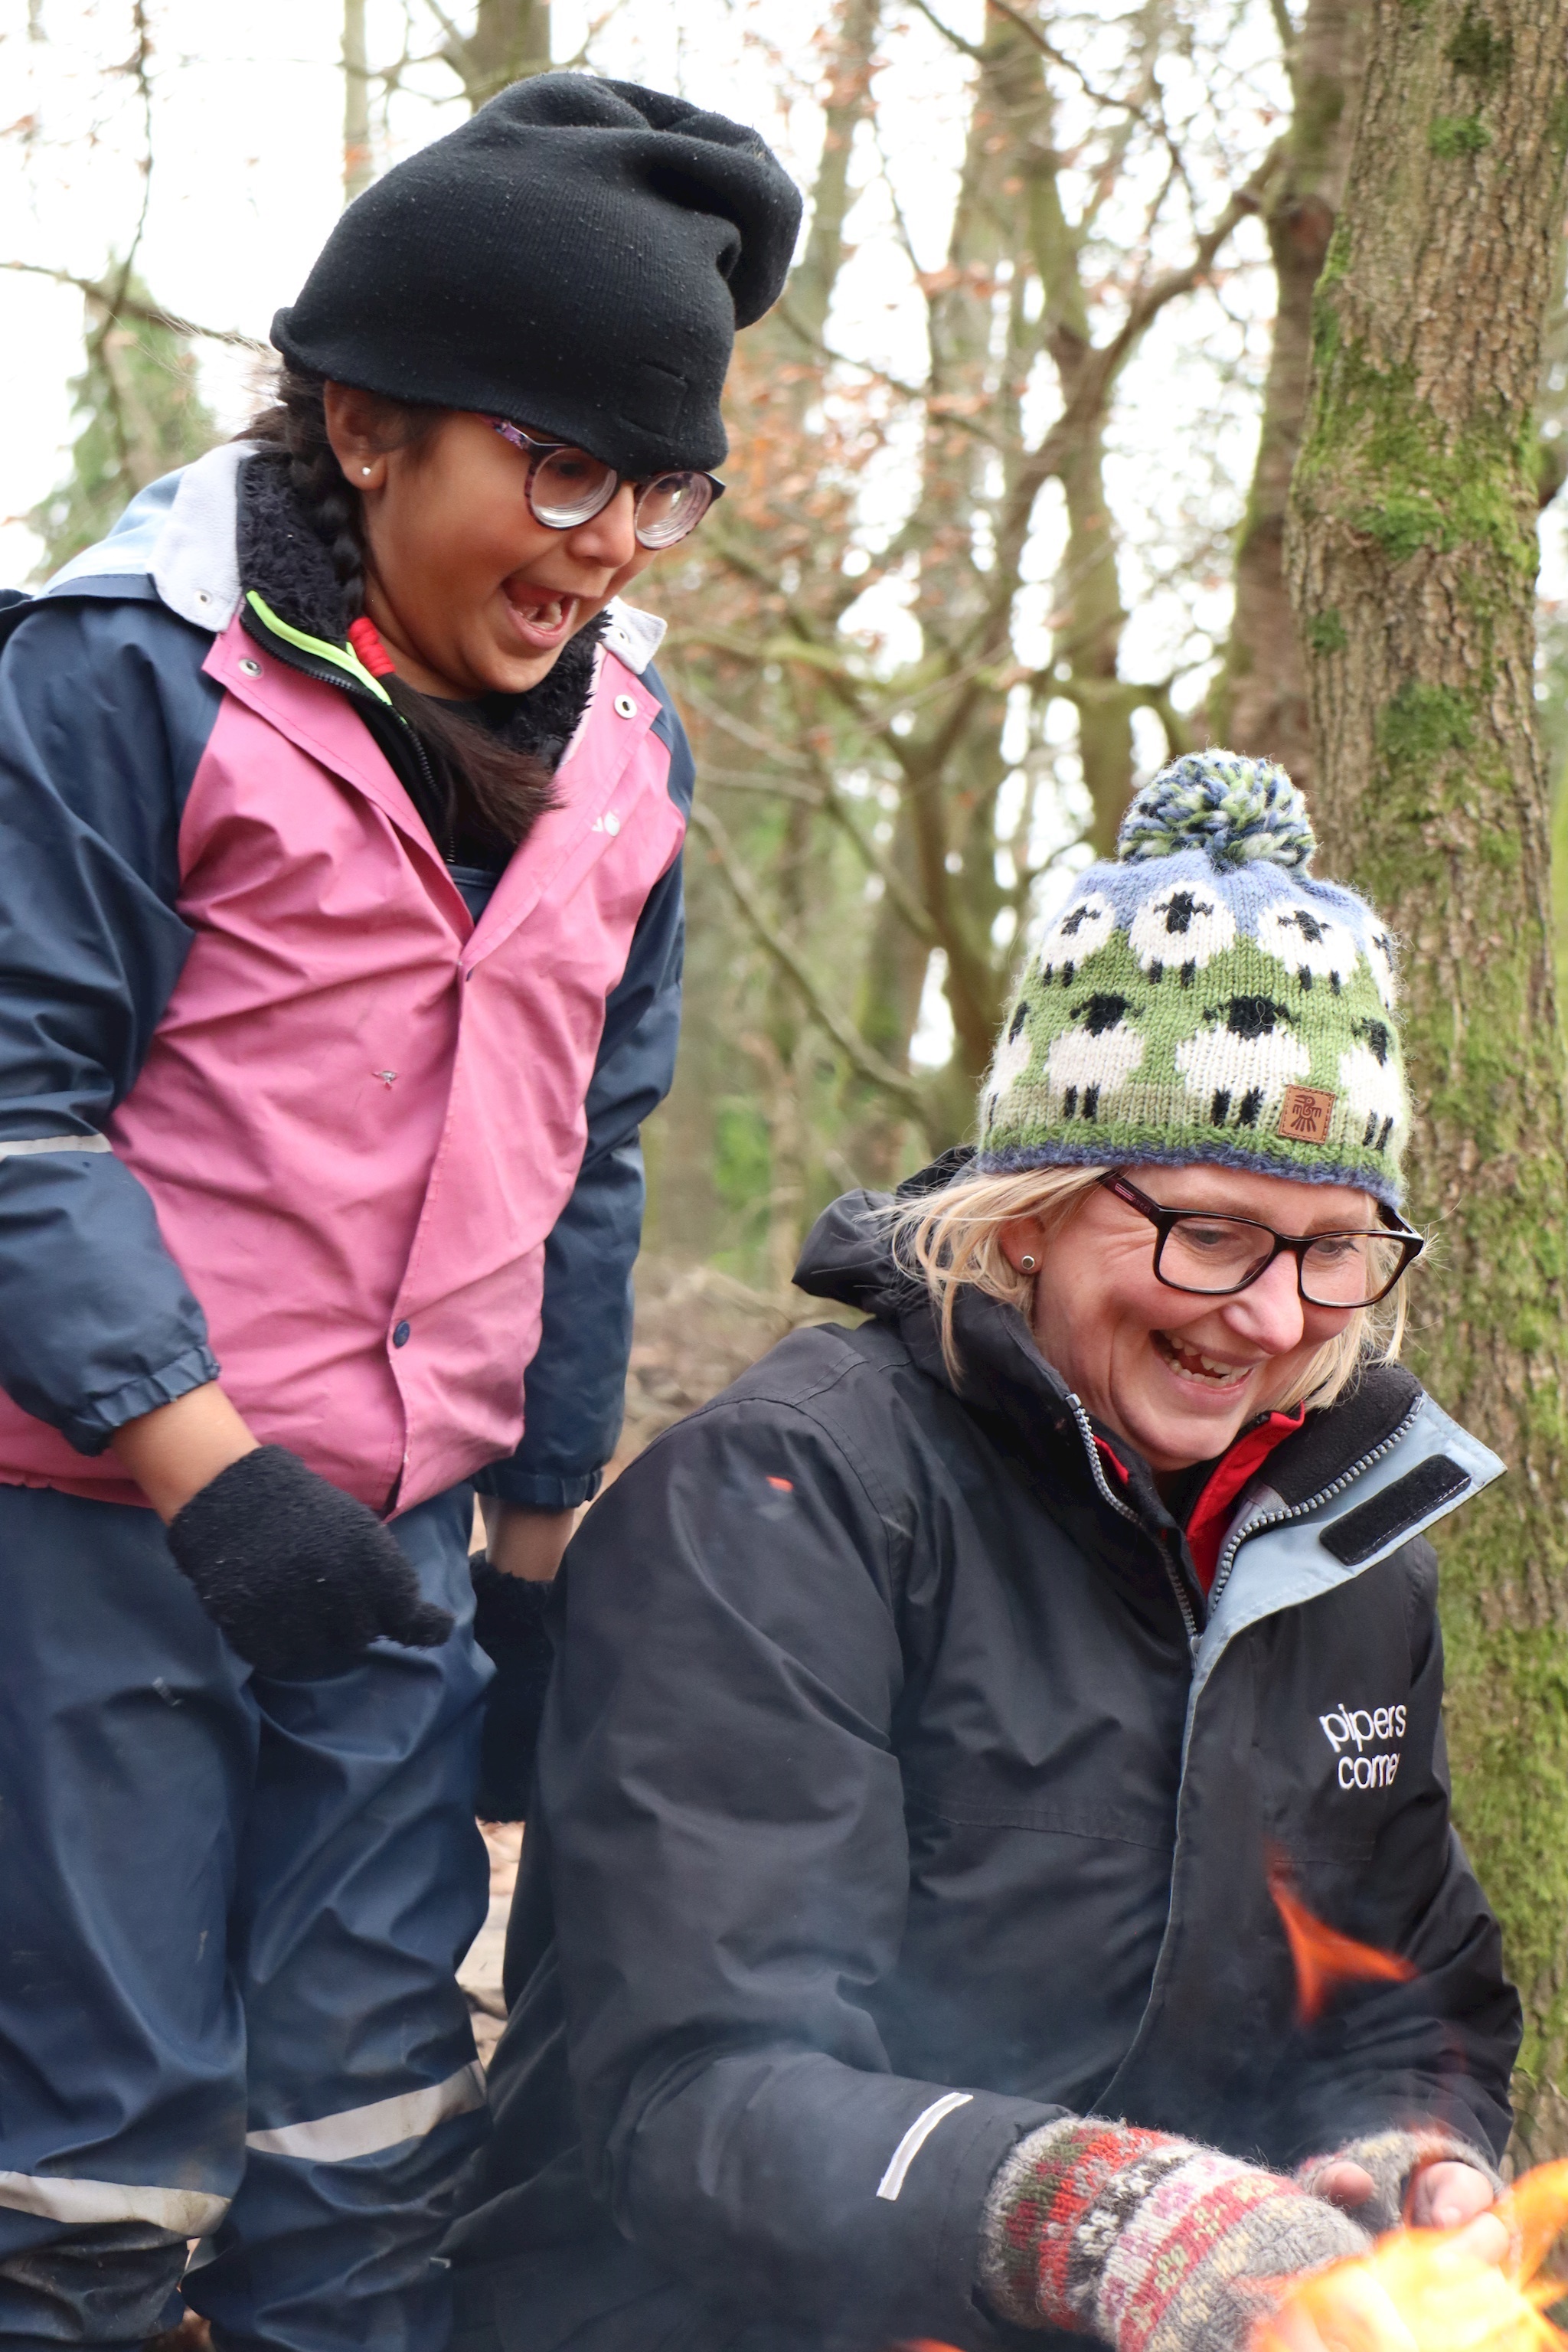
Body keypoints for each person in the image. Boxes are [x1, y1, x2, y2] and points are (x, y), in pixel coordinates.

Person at [0, 74, 799, 2352]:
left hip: (405, 1562)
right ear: (364, 427)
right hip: (86, 1538)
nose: (615, 540)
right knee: (92, 2168)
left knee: (367, 2149)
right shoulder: (121, 675)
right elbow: (17, 1114)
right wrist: (199, 1461)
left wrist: (539, 1547)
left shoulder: (632, 758)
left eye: (662, 487)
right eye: (562, 469)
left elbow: (586, 1161)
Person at [446, 754, 1521, 2352]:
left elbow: (1398, 1996)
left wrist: (1394, 2173)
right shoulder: (781, 1498)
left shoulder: (1345, 1542)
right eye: (1209, 1232)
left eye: (1334, 1253)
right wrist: (1114, 2226)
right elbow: (699, 2097)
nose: (1275, 1316)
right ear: (1028, 1216)